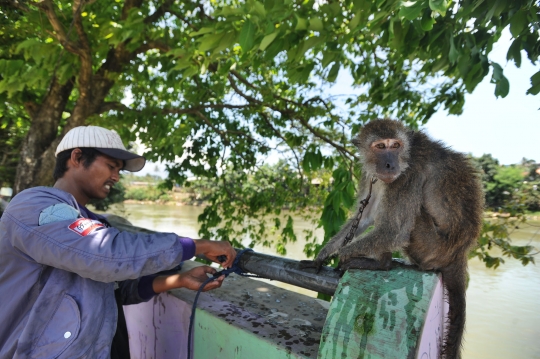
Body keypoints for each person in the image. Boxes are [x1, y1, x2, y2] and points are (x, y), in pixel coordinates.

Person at [0, 126, 237, 358]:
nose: (116, 177)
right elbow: (106, 255)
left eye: (119, 170)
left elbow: (114, 288)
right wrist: (197, 246)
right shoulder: (32, 205)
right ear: (77, 157)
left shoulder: (93, 222)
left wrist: (177, 280)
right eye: (111, 166)